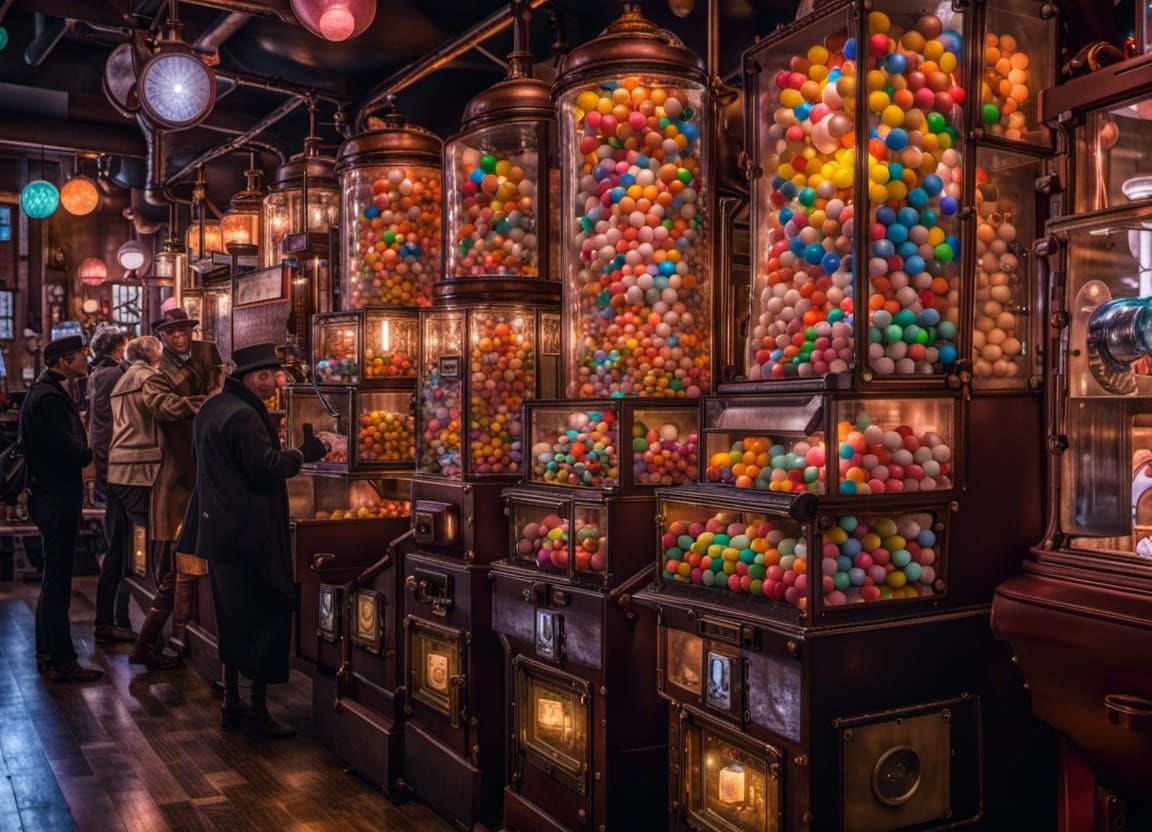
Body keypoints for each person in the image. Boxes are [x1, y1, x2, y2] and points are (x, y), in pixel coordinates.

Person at [177, 343, 326, 737]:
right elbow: (265, 468)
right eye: (262, 375)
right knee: (266, 617)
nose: (270, 382)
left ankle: (231, 702)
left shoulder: (213, 407)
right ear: (243, 377)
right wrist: (304, 454)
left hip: (218, 530)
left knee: (232, 618)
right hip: (250, 534)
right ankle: (258, 713)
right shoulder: (243, 414)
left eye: (273, 375)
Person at [141, 308, 223, 657]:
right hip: (177, 472)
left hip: (209, 468)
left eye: (184, 330)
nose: (179, 336)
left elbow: (223, 380)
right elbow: (159, 405)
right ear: (162, 336)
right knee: (171, 564)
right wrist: (199, 403)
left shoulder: (207, 353)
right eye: (171, 332)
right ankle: (155, 641)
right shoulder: (157, 373)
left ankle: (181, 638)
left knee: (195, 561)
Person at [20, 334, 103, 682]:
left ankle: (47, 654)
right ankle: (62, 661)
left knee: (52, 581)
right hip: (57, 496)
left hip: (48, 495)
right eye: (81, 355)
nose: (87, 359)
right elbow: (65, 449)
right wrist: (90, 453)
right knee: (57, 583)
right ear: (64, 362)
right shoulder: (51, 397)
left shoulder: (43, 392)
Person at [107, 335, 181, 670]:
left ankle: (135, 628)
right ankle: (151, 641)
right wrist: (206, 401)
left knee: (132, 553)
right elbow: (165, 408)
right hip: (142, 469)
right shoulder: (148, 377)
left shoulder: (123, 378)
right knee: (154, 556)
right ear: (153, 355)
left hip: (119, 469)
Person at [86, 327, 135, 645]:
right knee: (120, 547)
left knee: (120, 545)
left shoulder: (97, 374)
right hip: (118, 469)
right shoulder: (114, 375)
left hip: (109, 467)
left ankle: (116, 617)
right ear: (118, 348)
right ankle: (112, 620)